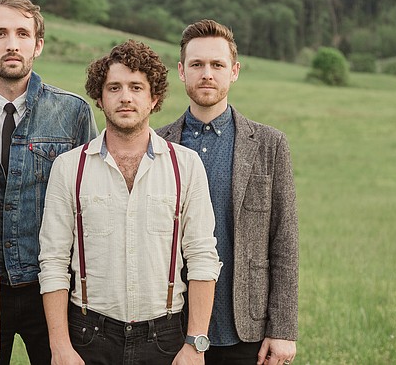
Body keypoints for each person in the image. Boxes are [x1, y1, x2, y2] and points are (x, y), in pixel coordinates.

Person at [39, 39, 221, 365]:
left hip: (164, 337)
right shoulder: (69, 168)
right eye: (114, 87)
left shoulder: (186, 165)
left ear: (154, 98)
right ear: (99, 97)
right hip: (88, 334)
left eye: (137, 87)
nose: (125, 97)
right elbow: (52, 262)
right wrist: (60, 347)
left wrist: (195, 345)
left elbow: (203, 259)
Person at [0, 0, 97, 364]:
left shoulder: (72, 112)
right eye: (1, 34)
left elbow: (89, 204)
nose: (12, 44)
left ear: (37, 45)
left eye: (23, 34)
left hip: (53, 288)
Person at [156, 20, 298, 365]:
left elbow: (284, 240)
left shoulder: (269, 144)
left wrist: (283, 329)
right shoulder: (157, 144)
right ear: (181, 71)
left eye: (217, 65)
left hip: (244, 327)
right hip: (169, 327)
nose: (207, 73)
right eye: (197, 64)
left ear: (234, 71)